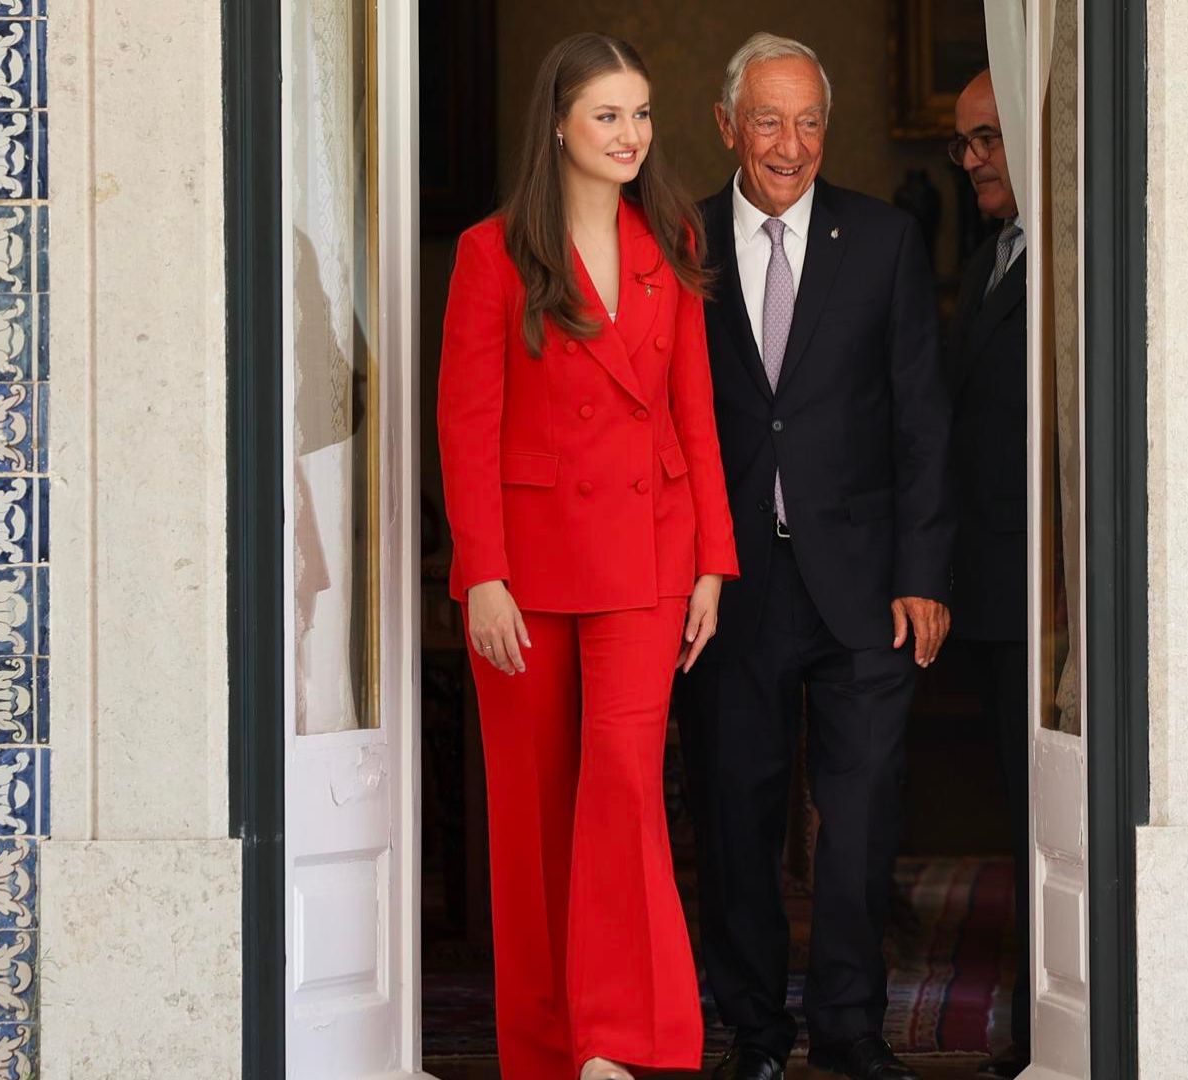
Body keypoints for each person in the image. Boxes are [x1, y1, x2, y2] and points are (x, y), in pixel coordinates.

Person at [436, 33, 736, 1080]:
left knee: (621, 779)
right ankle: (544, 1049)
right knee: (531, 814)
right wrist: (480, 573)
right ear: (558, 124)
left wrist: (711, 561)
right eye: (609, 114)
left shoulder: (671, 236)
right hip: (523, 570)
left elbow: (694, 410)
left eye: (642, 114)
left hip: (648, 558)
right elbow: (464, 424)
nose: (631, 135)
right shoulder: (491, 253)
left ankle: (617, 1040)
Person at [677, 32, 953, 1080]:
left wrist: (924, 572)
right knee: (735, 812)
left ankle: (848, 1025)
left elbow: (921, 420)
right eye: (766, 120)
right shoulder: (679, 243)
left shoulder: (879, 242)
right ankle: (753, 1029)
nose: (789, 146)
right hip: (727, 583)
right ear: (726, 124)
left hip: (867, 585)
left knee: (861, 812)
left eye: (807, 123)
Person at [943, 69, 1031, 1080]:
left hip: (1041, 592)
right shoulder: (987, 262)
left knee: (1036, 811)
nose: (968, 160)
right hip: (992, 586)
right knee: (1019, 804)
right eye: (964, 142)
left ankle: (1048, 1023)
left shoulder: (1066, 257)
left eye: (987, 140)